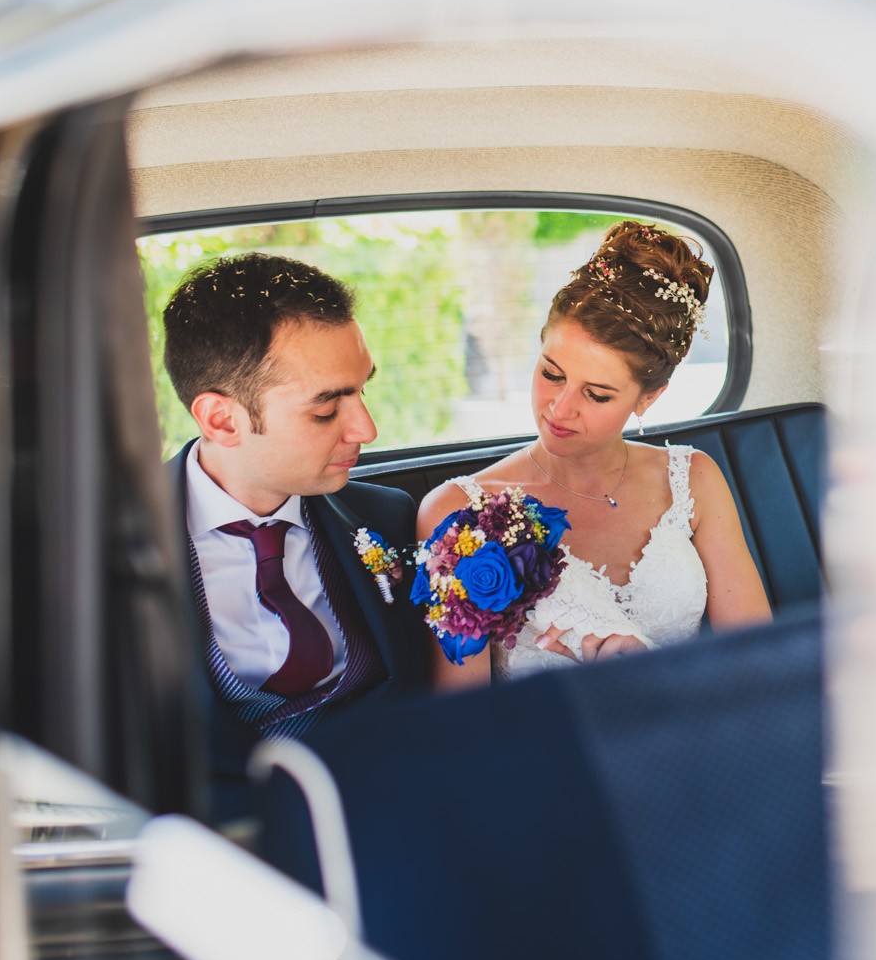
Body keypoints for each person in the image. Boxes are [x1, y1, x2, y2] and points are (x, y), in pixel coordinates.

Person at [418, 221, 771, 683]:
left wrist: (656, 681)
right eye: (551, 373)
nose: (559, 409)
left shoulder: (693, 479)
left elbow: (763, 670)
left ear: (648, 398)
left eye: (597, 394)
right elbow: (461, 714)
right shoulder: (458, 511)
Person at [162, 252, 430, 818]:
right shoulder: (92, 555)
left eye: (361, 391)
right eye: (326, 409)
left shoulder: (389, 518)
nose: (366, 429)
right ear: (222, 420)